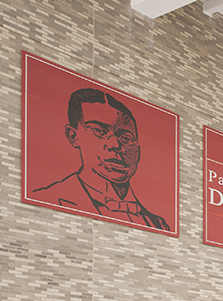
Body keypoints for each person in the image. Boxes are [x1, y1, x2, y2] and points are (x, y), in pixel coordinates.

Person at [33, 88, 170, 230]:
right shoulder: (50, 198)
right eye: (99, 131)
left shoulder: (159, 224)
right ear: (74, 136)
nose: (116, 145)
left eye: (126, 138)